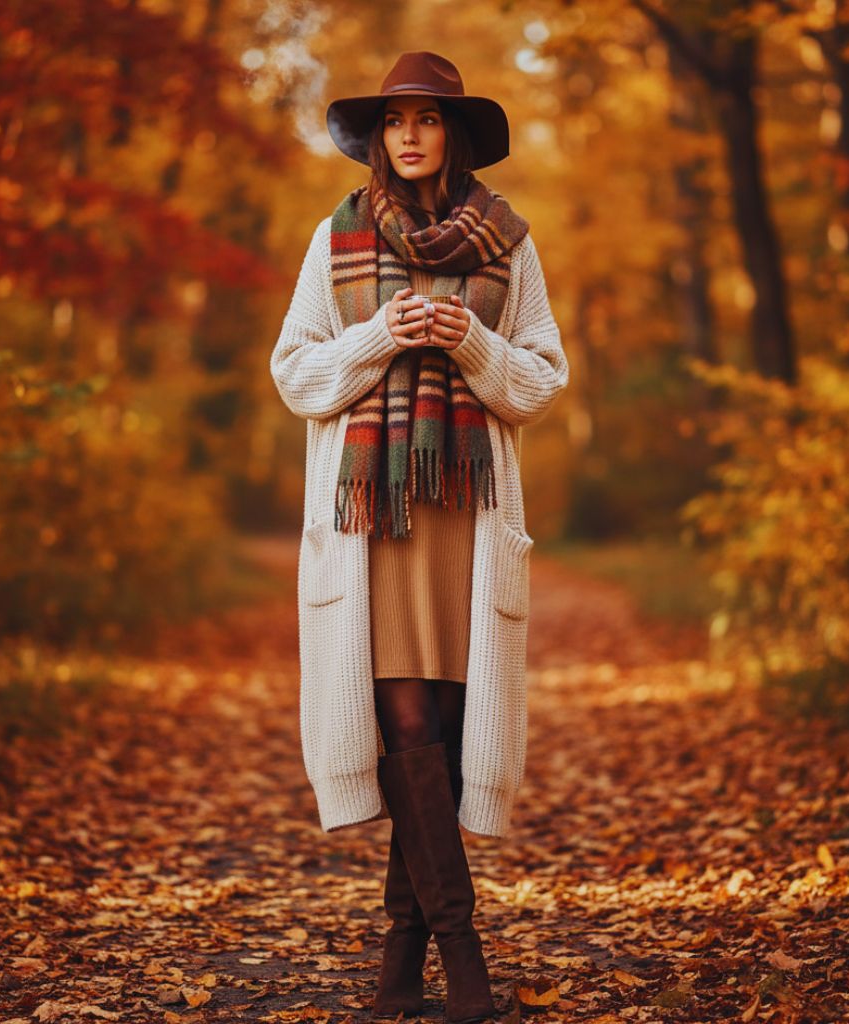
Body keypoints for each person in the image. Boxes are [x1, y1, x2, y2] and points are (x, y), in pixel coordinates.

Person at [270, 51, 570, 1024]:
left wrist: (468, 341)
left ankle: (399, 966)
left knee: (434, 744)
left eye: (427, 119)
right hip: (373, 526)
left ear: (456, 134)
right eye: (394, 118)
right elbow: (296, 376)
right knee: (405, 728)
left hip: (466, 521)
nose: (408, 133)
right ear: (376, 136)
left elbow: (537, 382)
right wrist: (384, 334)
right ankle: (462, 956)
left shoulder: (507, 245)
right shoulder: (338, 236)